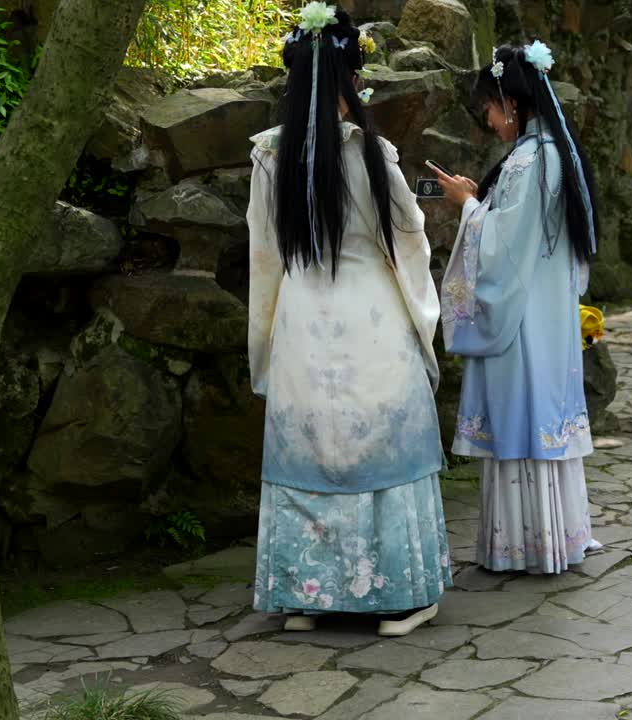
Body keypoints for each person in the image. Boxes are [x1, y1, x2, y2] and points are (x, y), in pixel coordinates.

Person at [247, 2, 452, 636]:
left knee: (312, 451)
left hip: (304, 320)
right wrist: (423, 315)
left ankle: (312, 592)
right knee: (381, 450)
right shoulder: (370, 151)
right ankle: (403, 594)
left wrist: (266, 338)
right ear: (344, 79)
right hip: (371, 321)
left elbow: (265, 255)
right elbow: (409, 238)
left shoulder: (270, 156)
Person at [433, 42, 602, 575]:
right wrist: (479, 204)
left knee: (522, 417)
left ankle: (523, 545)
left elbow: (505, 245)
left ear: (511, 101)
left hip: (524, 318)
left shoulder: (530, 159)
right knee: (543, 419)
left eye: (488, 107)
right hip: (546, 311)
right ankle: (556, 534)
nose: (487, 119)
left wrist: (467, 207)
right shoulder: (558, 151)